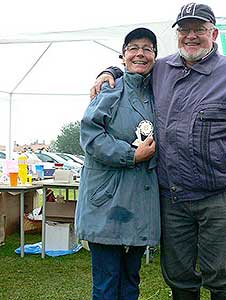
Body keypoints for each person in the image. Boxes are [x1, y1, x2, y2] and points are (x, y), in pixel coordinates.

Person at [90, 3, 226, 299]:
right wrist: (107, 71)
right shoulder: (161, 69)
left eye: (200, 29)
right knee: (179, 277)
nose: (191, 36)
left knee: (221, 277)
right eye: (185, 29)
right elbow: (133, 68)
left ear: (214, 33)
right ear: (178, 34)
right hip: (172, 198)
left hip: (219, 197)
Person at [75, 27, 160, 300]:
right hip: (106, 203)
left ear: (155, 57)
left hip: (140, 206)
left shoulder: (158, 93)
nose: (140, 54)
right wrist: (131, 155)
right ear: (123, 55)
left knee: (131, 281)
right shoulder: (110, 89)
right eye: (133, 48)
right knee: (106, 283)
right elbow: (90, 135)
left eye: (147, 48)